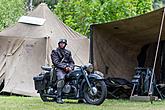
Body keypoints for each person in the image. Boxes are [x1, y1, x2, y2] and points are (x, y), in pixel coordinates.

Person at [51, 39, 75, 104]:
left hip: (68, 69)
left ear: (65, 44)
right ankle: (58, 97)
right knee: (61, 79)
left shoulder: (68, 52)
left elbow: (72, 62)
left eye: (63, 43)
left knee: (76, 77)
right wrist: (65, 67)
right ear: (59, 44)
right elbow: (56, 62)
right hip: (59, 69)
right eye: (61, 43)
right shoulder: (55, 52)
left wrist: (71, 67)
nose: (62, 44)